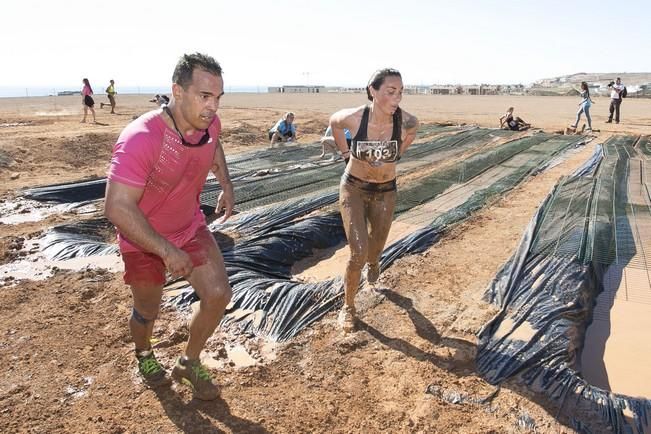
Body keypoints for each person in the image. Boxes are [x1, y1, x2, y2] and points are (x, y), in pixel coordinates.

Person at [104, 53, 234, 400]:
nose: (213, 107)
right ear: (177, 90)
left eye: (218, 98)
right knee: (148, 309)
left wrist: (225, 184)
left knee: (219, 294)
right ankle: (145, 354)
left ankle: (189, 362)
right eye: (204, 96)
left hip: (189, 226)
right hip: (143, 237)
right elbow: (116, 206)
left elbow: (214, 145)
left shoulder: (210, 125)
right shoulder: (142, 137)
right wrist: (164, 249)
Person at [329, 68, 419, 333]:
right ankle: (348, 308)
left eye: (400, 92)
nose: (397, 98)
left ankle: (375, 260)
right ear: (373, 91)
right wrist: (345, 153)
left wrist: (398, 152)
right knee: (358, 250)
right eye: (391, 91)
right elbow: (334, 122)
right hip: (354, 188)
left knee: (375, 247)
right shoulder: (355, 118)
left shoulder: (406, 122)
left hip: (385, 191)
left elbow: (414, 132)